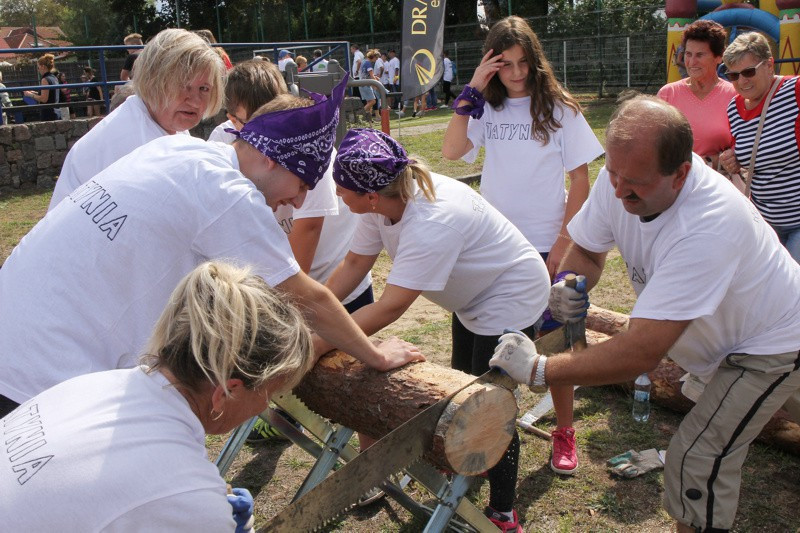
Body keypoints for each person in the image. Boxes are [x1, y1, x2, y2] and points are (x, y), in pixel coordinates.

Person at [0, 77, 422, 420]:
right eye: (302, 186)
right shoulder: (230, 194)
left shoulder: (176, 147)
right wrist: (376, 356)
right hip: (44, 373)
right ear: (273, 159)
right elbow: (305, 297)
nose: (296, 201)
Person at [489, 95, 800, 533]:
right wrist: (569, 285)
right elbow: (588, 250)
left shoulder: (708, 224)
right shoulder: (623, 175)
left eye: (633, 182)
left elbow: (642, 352)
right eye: (613, 174)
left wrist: (540, 369)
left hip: (770, 344)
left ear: (682, 173)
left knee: (698, 458)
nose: (618, 190)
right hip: (728, 343)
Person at [327, 128, 550, 532]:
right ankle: (466, 466)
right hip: (471, 299)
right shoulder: (384, 203)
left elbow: (391, 306)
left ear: (371, 194)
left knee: (488, 405)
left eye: (343, 188)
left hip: (508, 294)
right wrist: (315, 314)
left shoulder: (432, 220)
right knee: (459, 388)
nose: (338, 194)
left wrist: (321, 338)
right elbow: (354, 266)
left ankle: (503, 513)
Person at [0, 260, 314, 531]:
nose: (266, 405)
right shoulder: (187, 496)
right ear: (227, 392)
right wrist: (203, 515)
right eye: (269, 393)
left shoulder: (94, 385)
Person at [442, 15, 604, 476]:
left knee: (555, 340)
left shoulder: (559, 108)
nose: (515, 73)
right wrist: (471, 90)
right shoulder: (484, 107)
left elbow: (579, 179)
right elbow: (452, 152)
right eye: (504, 64)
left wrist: (563, 239)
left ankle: (564, 430)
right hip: (489, 248)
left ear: (535, 62)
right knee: (481, 340)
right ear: (491, 65)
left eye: (522, 63)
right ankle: (471, 427)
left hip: (545, 246)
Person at [207, 61, 373, 442]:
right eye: (239, 123)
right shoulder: (225, 147)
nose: (296, 200)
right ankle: (285, 416)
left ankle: (365, 454)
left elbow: (306, 234)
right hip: (285, 281)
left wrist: (277, 310)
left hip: (324, 278)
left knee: (353, 380)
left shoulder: (301, 144)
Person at [49, 28, 224, 211]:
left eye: (204, 88)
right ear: (154, 81)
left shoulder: (160, 121)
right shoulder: (135, 141)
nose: (195, 101)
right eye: (182, 86)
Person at [720, 31, 800, 263]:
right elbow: (747, 154)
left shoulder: (794, 92)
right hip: (764, 224)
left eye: (748, 72)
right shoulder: (734, 108)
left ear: (769, 65)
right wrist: (733, 161)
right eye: (733, 75)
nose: (742, 81)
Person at [657, 20, 736, 168]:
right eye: (688, 54)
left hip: (718, 181)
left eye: (700, 55)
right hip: (676, 184)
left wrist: (722, 160)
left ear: (719, 57)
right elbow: (656, 144)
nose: (692, 62)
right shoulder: (667, 94)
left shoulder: (734, 95)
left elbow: (745, 146)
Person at [23, 53, 60, 122]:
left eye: (38, 67)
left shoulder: (45, 79)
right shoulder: (54, 78)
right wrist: (36, 93)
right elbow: (50, 94)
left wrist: (30, 95)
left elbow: (44, 99)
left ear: (43, 66)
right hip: (56, 112)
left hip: (48, 114)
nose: (38, 69)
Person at [359, 50, 379, 122]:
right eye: (376, 58)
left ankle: (369, 121)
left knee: (369, 102)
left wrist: (375, 77)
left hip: (362, 84)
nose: (376, 60)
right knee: (373, 101)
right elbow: (371, 75)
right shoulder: (368, 63)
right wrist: (376, 84)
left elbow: (366, 74)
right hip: (365, 85)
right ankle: (359, 114)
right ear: (373, 57)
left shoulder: (364, 61)